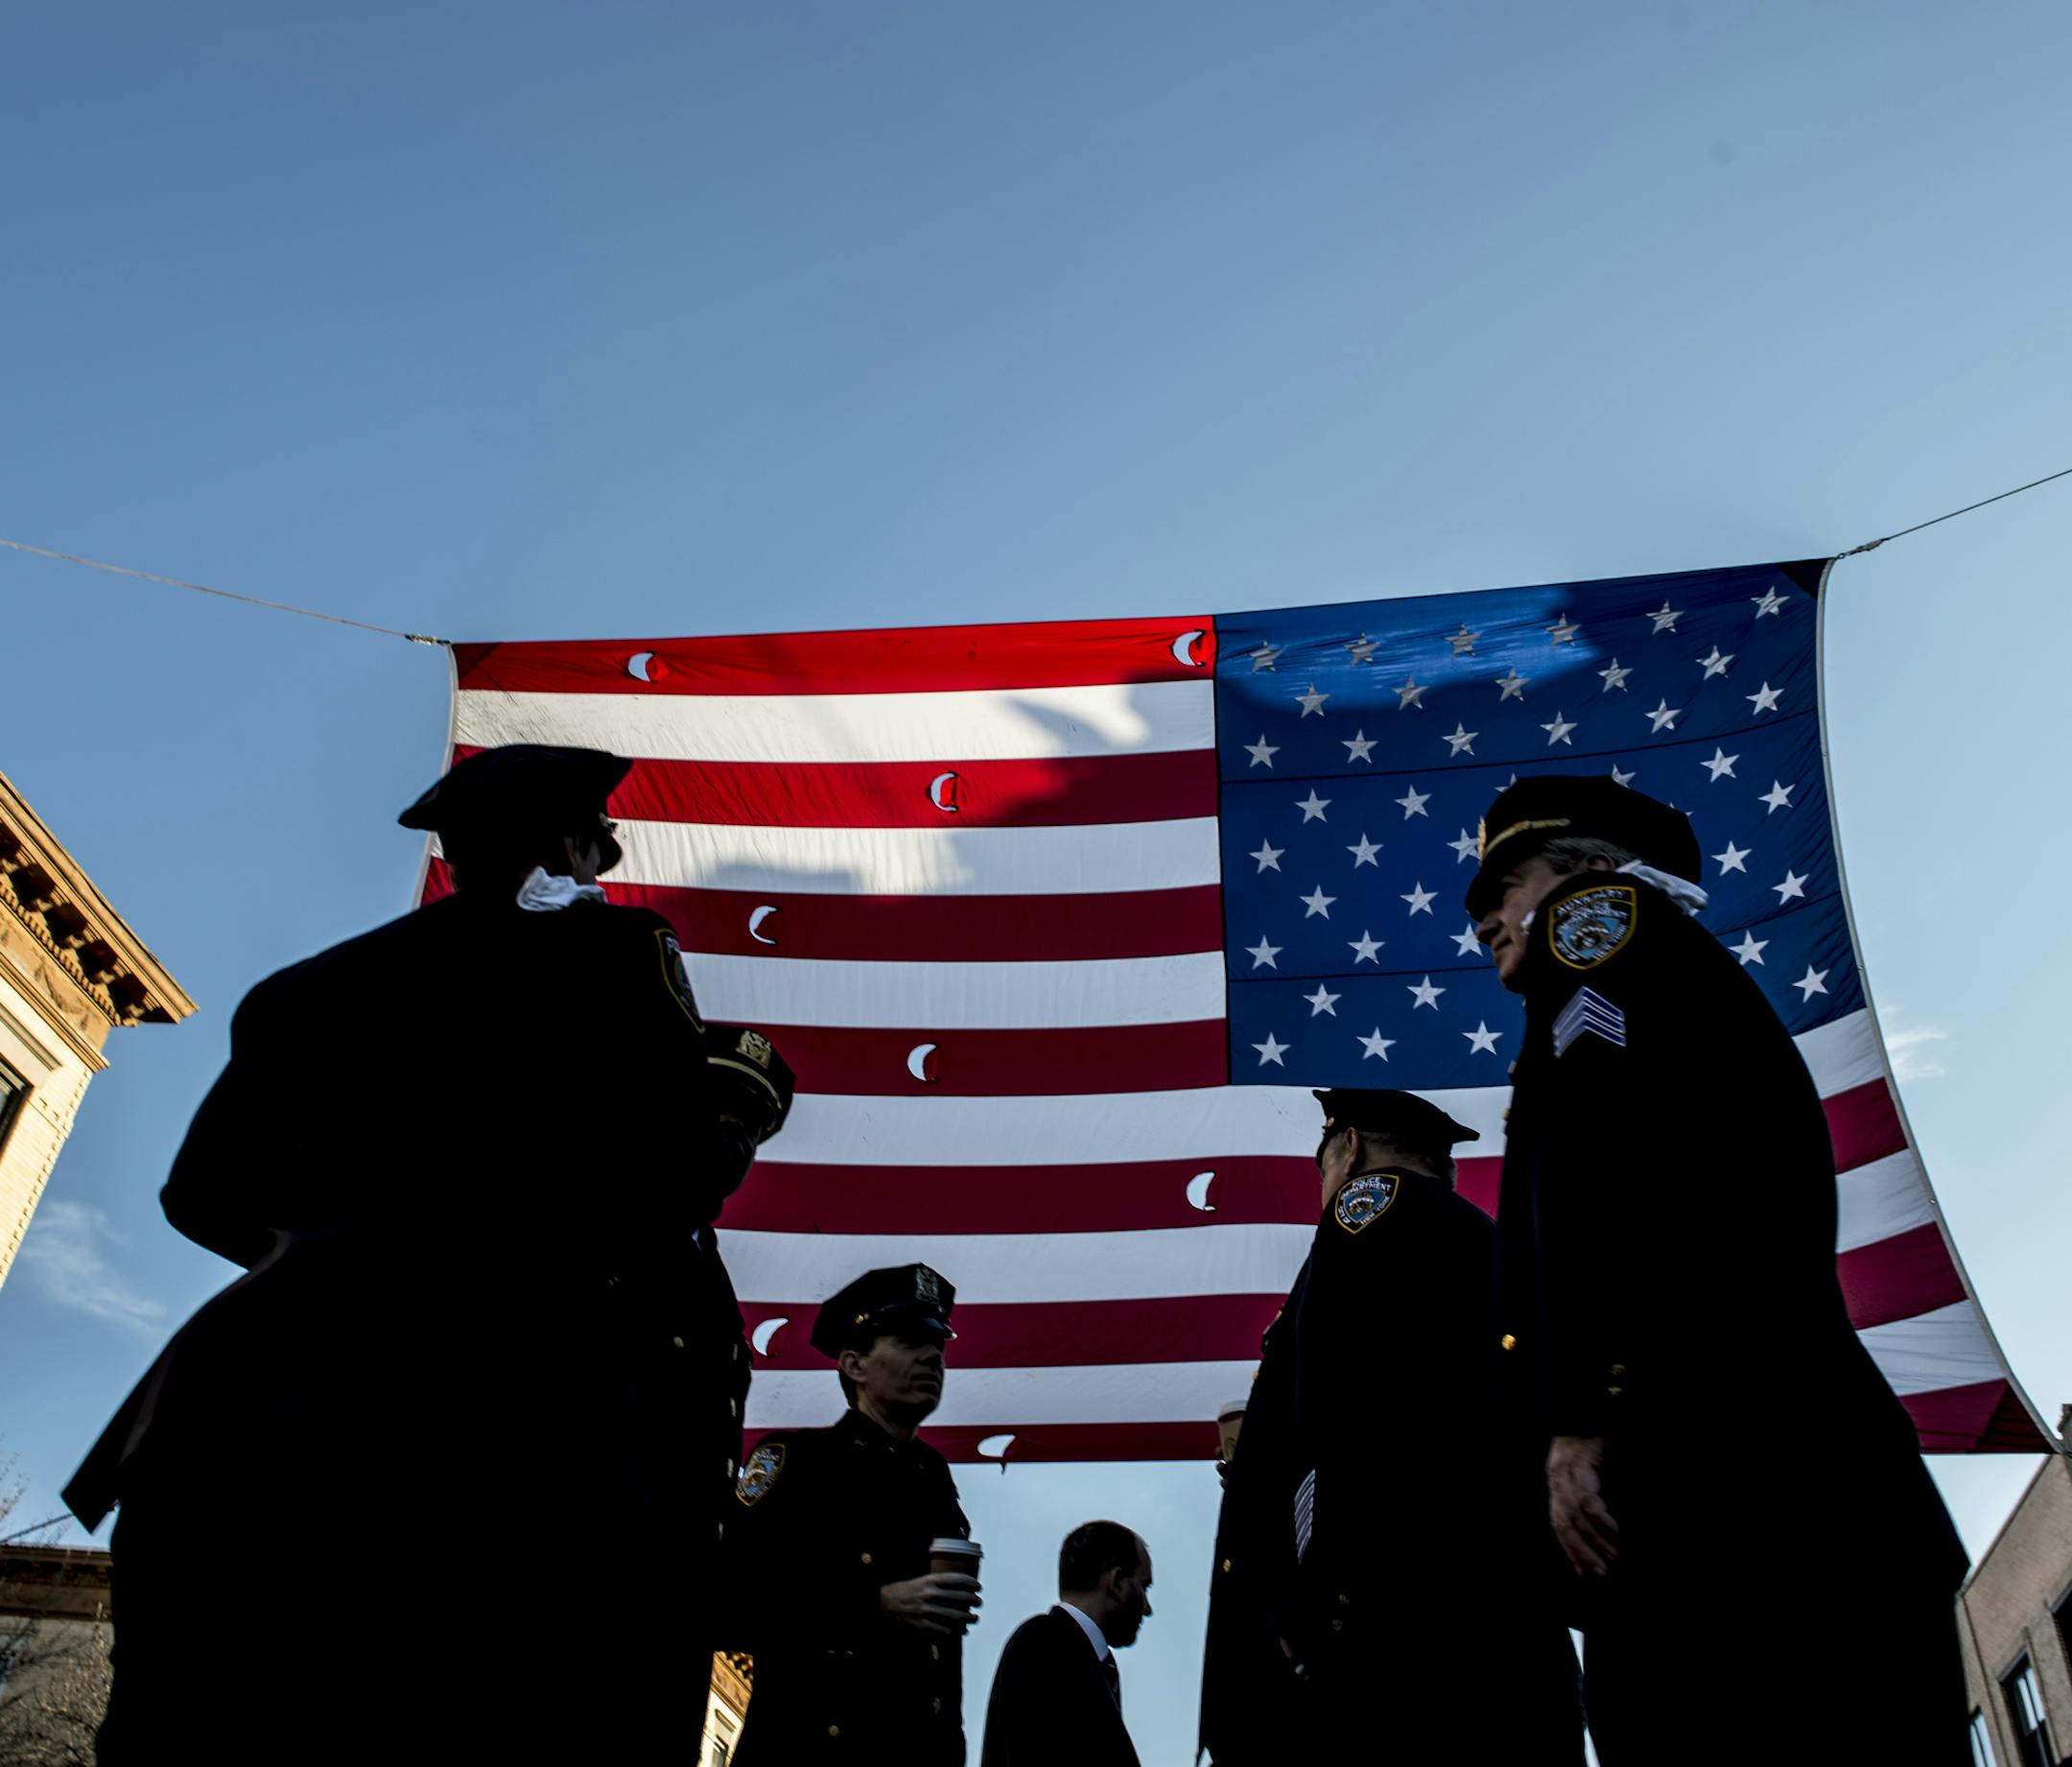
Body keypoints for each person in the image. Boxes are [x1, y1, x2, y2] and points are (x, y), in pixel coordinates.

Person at [64, 743, 793, 1765]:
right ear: (561, 846)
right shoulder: (617, 956)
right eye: (597, 842)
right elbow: (665, 1178)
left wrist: (334, 1259)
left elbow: (198, 1196)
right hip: (498, 1412)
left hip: (240, 1393)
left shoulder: (305, 990)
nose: (608, 861)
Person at [1467, 772, 1971, 1763]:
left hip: (1726, 1502)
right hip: (1793, 1498)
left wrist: (1579, 1408)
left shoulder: (1592, 929)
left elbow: (1605, 1168)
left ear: (1591, 872)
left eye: (1506, 884)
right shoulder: (1651, 965)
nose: (1487, 916)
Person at [1199, 1088, 1582, 1763]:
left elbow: (1342, 1406)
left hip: (1392, 1621)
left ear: (1348, 1148)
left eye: (1323, 1165)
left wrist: (1316, 1592)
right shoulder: (1488, 1242)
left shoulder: (1365, 1211)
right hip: (1504, 1614)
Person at [724, 1262, 977, 1764]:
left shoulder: (933, 1476)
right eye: (908, 1342)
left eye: (939, 1346)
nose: (933, 1357)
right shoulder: (795, 1462)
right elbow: (730, 1600)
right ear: (854, 1366)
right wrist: (874, 1604)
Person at [979, 1520, 1150, 1767]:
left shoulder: (1071, 1652)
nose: (1147, 1608)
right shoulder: (1044, 1644)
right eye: (1144, 1586)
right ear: (1117, 1581)